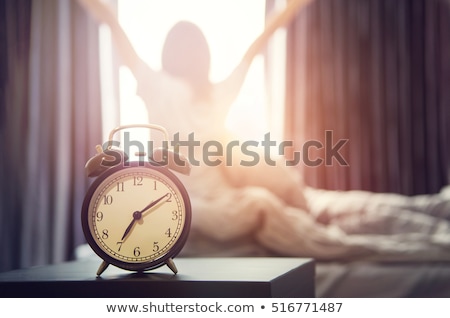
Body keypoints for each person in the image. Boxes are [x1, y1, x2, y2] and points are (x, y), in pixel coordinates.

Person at [77, 0, 450, 261]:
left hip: (204, 203)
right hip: (221, 203)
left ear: (167, 54)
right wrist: (289, 10)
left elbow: (112, 23)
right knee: (293, 214)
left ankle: (423, 230)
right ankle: (430, 222)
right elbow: (255, 48)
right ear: (203, 56)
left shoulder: (158, 87)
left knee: (305, 217)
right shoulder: (214, 94)